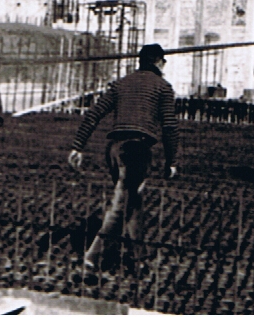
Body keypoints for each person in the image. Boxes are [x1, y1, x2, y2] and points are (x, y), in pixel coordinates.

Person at [68, 43, 177, 276]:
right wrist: (172, 161)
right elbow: (169, 127)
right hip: (137, 150)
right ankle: (92, 259)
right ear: (160, 62)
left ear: (140, 61)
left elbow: (94, 113)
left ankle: (138, 259)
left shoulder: (121, 84)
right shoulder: (163, 88)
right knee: (121, 206)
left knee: (132, 202)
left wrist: (78, 146)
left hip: (114, 149)